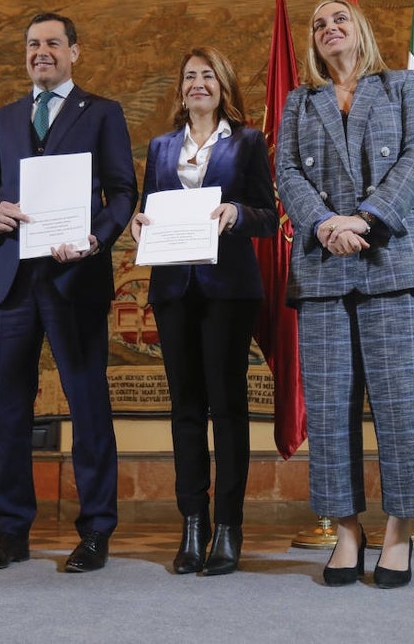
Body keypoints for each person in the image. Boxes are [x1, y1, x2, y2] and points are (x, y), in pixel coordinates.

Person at [276, 0, 414, 589]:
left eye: (339, 18)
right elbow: (287, 172)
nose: (328, 29)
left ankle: (399, 532)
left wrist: (365, 220)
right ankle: (348, 531)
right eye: (318, 24)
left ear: (361, 29)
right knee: (328, 410)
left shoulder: (401, 87)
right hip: (324, 267)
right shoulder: (301, 101)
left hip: (394, 261)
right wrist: (325, 224)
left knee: (401, 405)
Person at [0, 12, 137, 574]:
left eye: (53, 44)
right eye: (33, 44)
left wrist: (97, 238)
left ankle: (95, 532)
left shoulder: (102, 113)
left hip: (75, 276)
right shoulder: (3, 118)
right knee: (10, 410)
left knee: (88, 405)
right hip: (12, 280)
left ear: (74, 53)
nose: (42, 52)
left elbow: (123, 193)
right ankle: (9, 532)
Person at [130, 47, 277, 576]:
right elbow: (148, 208)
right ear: (181, 88)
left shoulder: (247, 142)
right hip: (173, 290)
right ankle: (192, 524)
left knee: (227, 408)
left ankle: (228, 528)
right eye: (189, 75)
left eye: (207, 75)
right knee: (186, 409)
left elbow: (267, 215)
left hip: (228, 291)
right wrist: (136, 224)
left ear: (224, 86)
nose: (198, 83)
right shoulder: (161, 145)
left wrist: (238, 212)